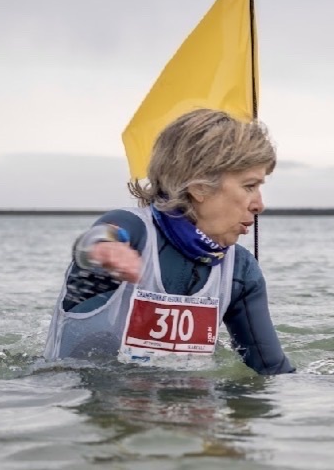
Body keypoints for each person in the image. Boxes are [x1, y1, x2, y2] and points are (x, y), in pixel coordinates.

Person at [43, 108, 295, 375]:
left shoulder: (240, 270)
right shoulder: (133, 231)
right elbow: (96, 241)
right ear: (199, 186)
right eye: (249, 186)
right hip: (76, 391)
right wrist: (105, 250)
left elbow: (273, 371)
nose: (259, 204)